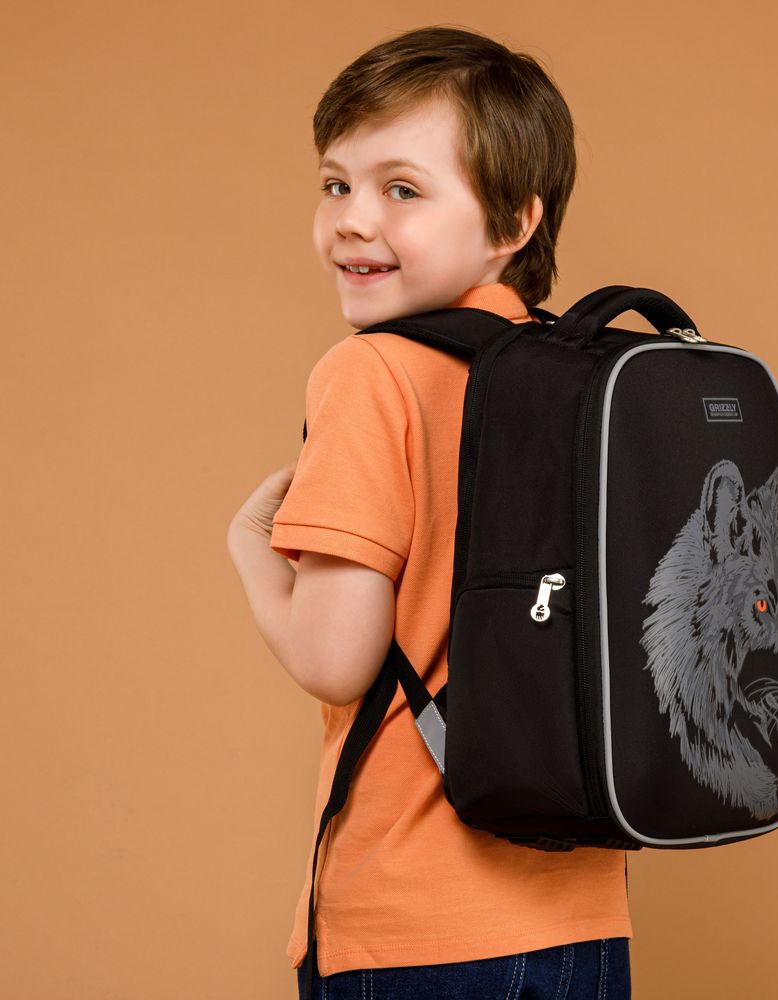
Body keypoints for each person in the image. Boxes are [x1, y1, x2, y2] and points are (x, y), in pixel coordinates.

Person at [226, 25, 632, 999]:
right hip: (583, 913)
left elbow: (335, 658)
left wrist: (248, 549)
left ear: (512, 222)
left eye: (401, 190)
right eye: (336, 185)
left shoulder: (371, 373)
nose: (353, 220)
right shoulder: (582, 380)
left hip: (412, 921)